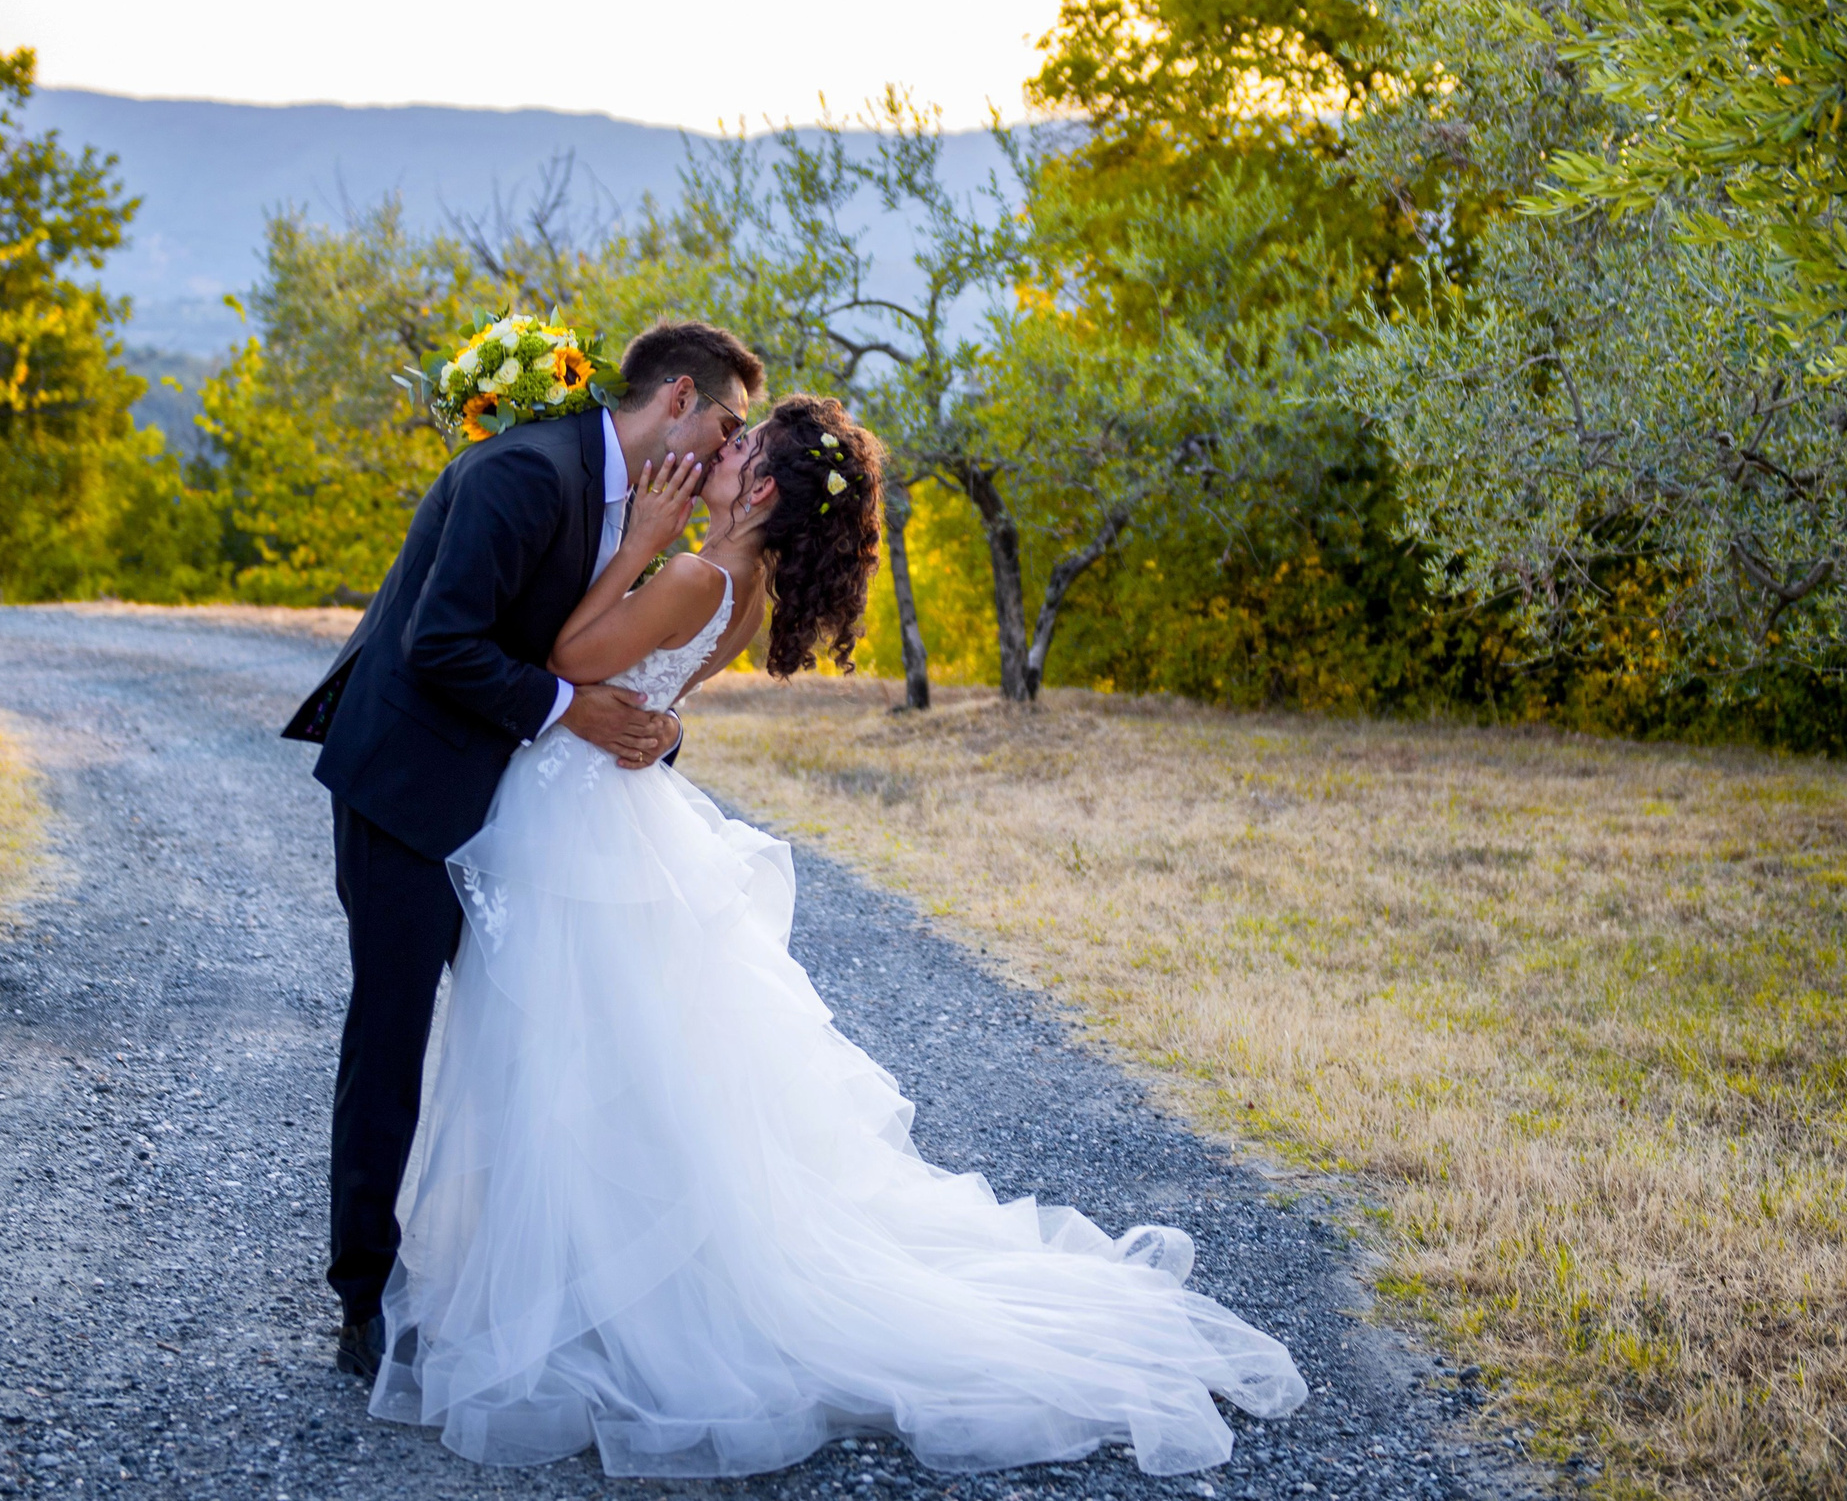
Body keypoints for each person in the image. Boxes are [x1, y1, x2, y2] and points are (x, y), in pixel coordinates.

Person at [363, 396, 1308, 1479]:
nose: (714, 458)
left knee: (567, 1055)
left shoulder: (693, 574)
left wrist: (637, 541)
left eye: (736, 453)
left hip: (579, 825)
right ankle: (586, 1282)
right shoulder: (744, 591)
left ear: (761, 489)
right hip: (610, 812)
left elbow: (571, 655)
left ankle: (587, 1302)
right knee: (614, 1065)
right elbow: (651, 688)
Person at [284, 320, 762, 1378]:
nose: (735, 447)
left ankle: (532, 1279)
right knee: (393, 1031)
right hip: (409, 787)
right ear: (678, 399)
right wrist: (570, 710)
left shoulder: (644, 508)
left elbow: (621, 661)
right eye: (730, 423)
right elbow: (440, 644)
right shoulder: (525, 472)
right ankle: (364, 1295)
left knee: (540, 1037)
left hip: (522, 811)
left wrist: (652, 729)